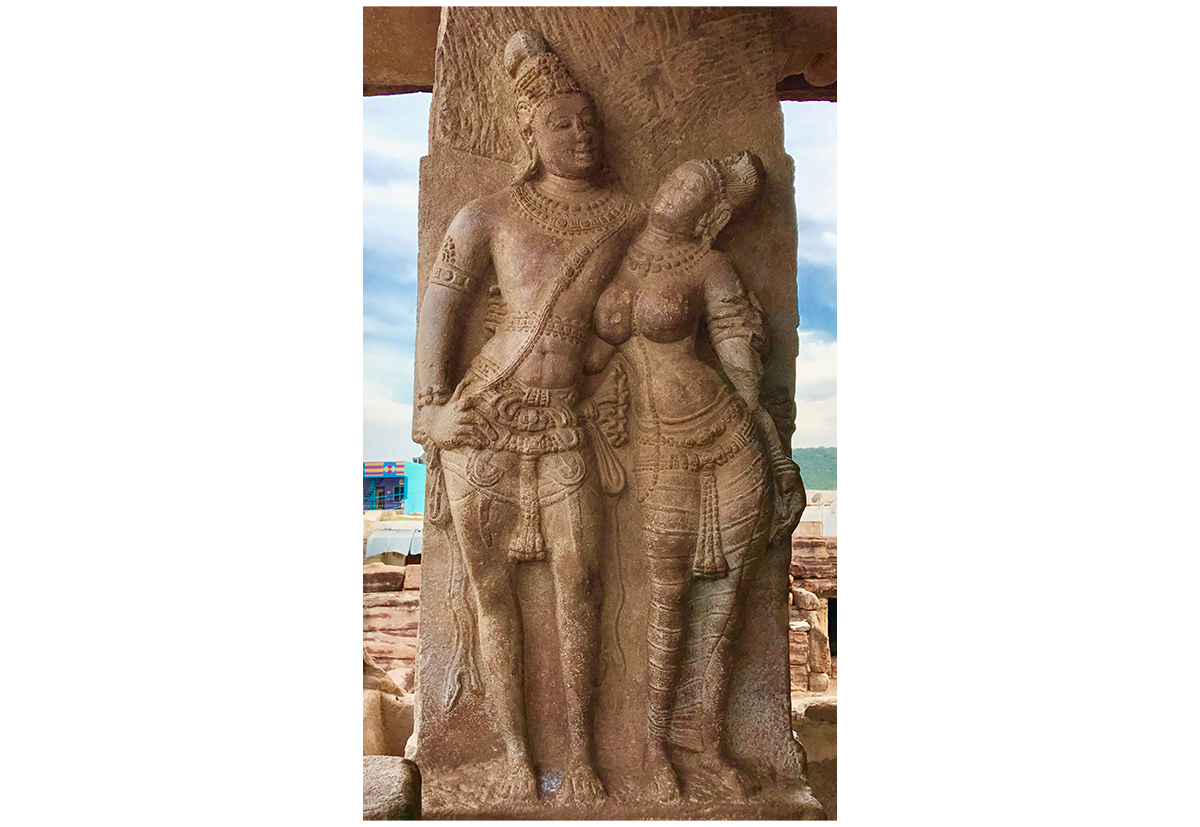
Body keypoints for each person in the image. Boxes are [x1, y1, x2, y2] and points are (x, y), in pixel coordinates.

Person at [411, 31, 640, 804]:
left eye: (590, 123)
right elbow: (440, 310)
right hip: (485, 419)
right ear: (530, 137)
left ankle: (582, 752)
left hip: (564, 420)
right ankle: (514, 753)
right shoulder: (487, 216)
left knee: (582, 586)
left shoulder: (626, 220)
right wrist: (430, 413)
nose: (581, 134)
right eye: (563, 124)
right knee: (494, 593)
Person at [591, 152, 806, 800]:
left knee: (722, 606)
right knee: (666, 597)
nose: (678, 187)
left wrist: (764, 434)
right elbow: (583, 347)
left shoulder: (710, 266)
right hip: (658, 445)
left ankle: (705, 742)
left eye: (696, 187)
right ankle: (652, 745)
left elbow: (740, 352)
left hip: (725, 435)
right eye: (677, 175)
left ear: (709, 213)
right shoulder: (608, 247)